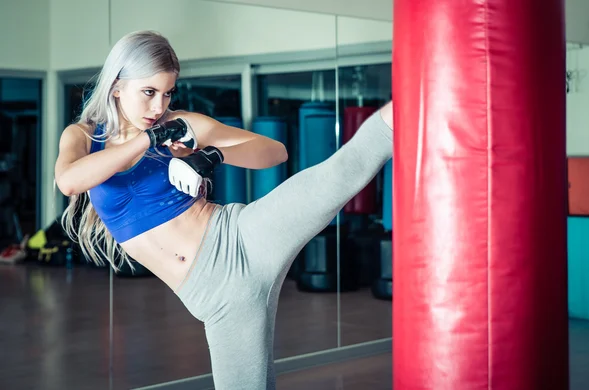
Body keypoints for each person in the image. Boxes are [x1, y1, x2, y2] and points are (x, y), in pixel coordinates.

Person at [55, 30, 394, 390]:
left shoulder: (181, 124)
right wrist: (149, 140)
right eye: (149, 92)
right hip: (216, 295)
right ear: (117, 86)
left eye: (168, 92)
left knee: (340, 171)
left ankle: (423, 93)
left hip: (242, 236)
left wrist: (208, 155)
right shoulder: (82, 136)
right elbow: (69, 181)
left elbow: (274, 152)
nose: (159, 106)